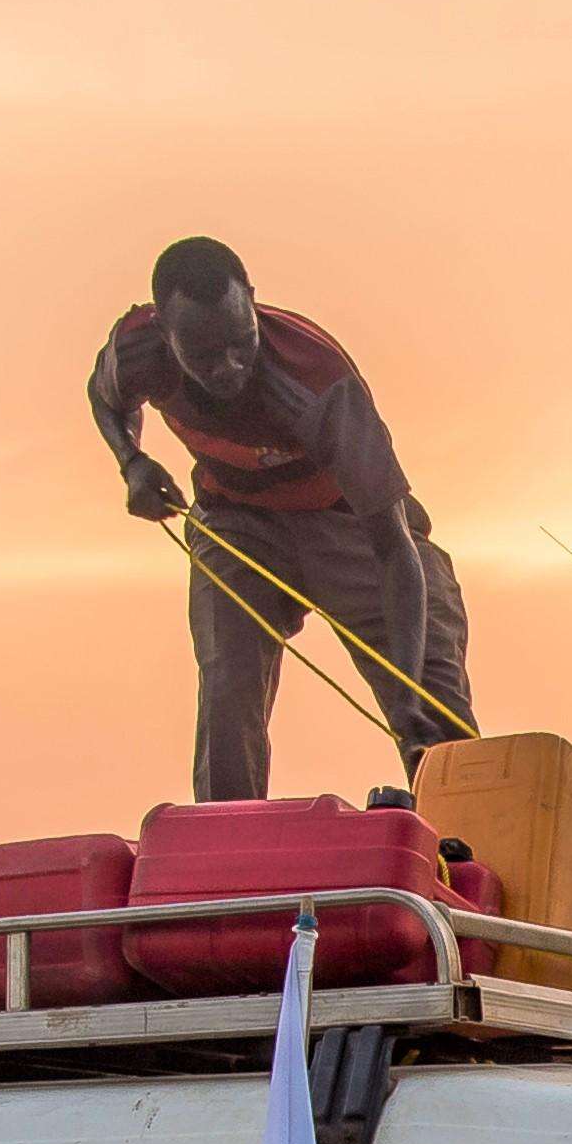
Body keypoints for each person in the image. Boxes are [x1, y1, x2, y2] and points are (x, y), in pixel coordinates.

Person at [89, 237, 474, 803]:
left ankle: (469, 846)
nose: (228, 367)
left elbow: (395, 550)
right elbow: (105, 400)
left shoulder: (318, 378)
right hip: (236, 520)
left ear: (252, 300)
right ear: (166, 338)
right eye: (203, 354)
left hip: (349, 526)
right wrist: (133, 463)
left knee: (435, 714)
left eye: (241, 343)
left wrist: (408, 690)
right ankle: (232, 852)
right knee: (227, 688)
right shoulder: (134, 351)